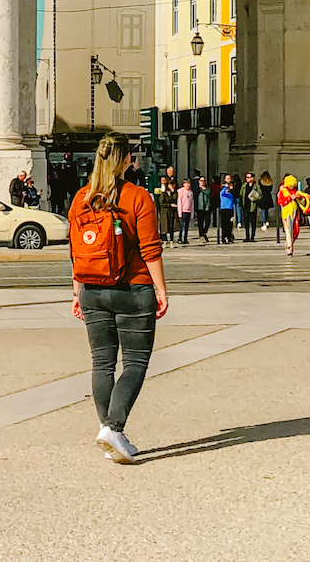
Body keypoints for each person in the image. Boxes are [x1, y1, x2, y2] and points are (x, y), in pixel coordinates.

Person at [69, 131, 168, 464]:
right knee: (136, 363)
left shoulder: (81, 198)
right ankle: (113, 427)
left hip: (91, 290)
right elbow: (150, 249)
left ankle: (110, 430)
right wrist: (161, 290)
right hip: (133, 289)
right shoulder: (138, 197)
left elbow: (75, 249)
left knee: (102, 363)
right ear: (126, 160)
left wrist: (76, 291)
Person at [277, 174, 300, 256]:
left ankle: (289, 243)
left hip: (294, 212)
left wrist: (299, 197)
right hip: (286, 213)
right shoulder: (282, 190)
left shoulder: (295, 190)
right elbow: (280, 202)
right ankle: (289, 248)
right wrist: (290, 198)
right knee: (288, 230)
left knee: (295, 230)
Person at [155, 168, 177, 244]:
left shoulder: (169, 188)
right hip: (160, 205)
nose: (164, 181)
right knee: (162, 222)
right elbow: (157, 195)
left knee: (170, 223)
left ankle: (169, 239)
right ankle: (163, 237)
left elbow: (174, 196)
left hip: (168, 207)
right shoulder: (158, 186)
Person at [240, 171, 262, 242]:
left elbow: (260, 196)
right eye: (246, 177)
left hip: (253, 206)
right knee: (246, 222)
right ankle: (247, 236)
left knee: (253, 221)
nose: (247, 179)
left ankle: (252, 236)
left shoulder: (256, 186)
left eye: (249, 177)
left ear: (252, 178)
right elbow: (241, 195)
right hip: (245, 205)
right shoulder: (244, 186)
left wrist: (254, 199)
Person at [218, 173, 237, 244]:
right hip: (224, 208)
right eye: (227, 178)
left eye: (229, 178)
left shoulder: (232, 188)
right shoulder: (223, 187)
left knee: (230, 224)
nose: (229, 180)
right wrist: (226, 187)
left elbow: (234, 195)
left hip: (230, 208)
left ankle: (229, 236)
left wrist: (231, 189)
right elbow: (221, 194)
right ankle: (223, 237)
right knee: (224, 224)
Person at [176, 177, 195, 244]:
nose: (188, 185)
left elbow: (192, 202)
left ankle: (185, 238)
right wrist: (180, 212)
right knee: (182, 225)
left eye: (189, 184)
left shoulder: (190, 192)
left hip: (188, 211)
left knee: (187, 226)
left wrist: (192, 213)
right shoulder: (180, 191)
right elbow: (179, 202)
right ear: (184, 184)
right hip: (183, 210)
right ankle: (180, 238)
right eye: (187, 184)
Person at [195, 176, 213, 242]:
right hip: (200, 208)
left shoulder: (207, 189)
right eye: (201, 180)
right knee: (200, 222)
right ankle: (201, 235)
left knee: (208, 221)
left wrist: (202, 188)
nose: (202, 182)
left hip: (207, 207)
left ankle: (204, 232)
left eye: (203, 181)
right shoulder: (197, 189)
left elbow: (208, 193)